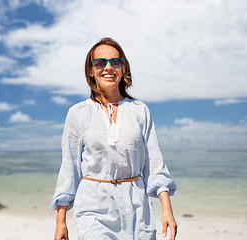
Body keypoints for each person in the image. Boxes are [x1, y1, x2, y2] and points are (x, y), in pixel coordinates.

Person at [52, 37, 177, 240]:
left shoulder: (140, 111)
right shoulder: (78, 113)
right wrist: (60, 221)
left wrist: (167, 210)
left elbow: (154, 162)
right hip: (93, 205)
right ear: (91, 70)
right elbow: (69, 167)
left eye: (115, 62)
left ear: (122, 68)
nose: (108, 67)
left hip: (137, 208)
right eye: (100, 63)